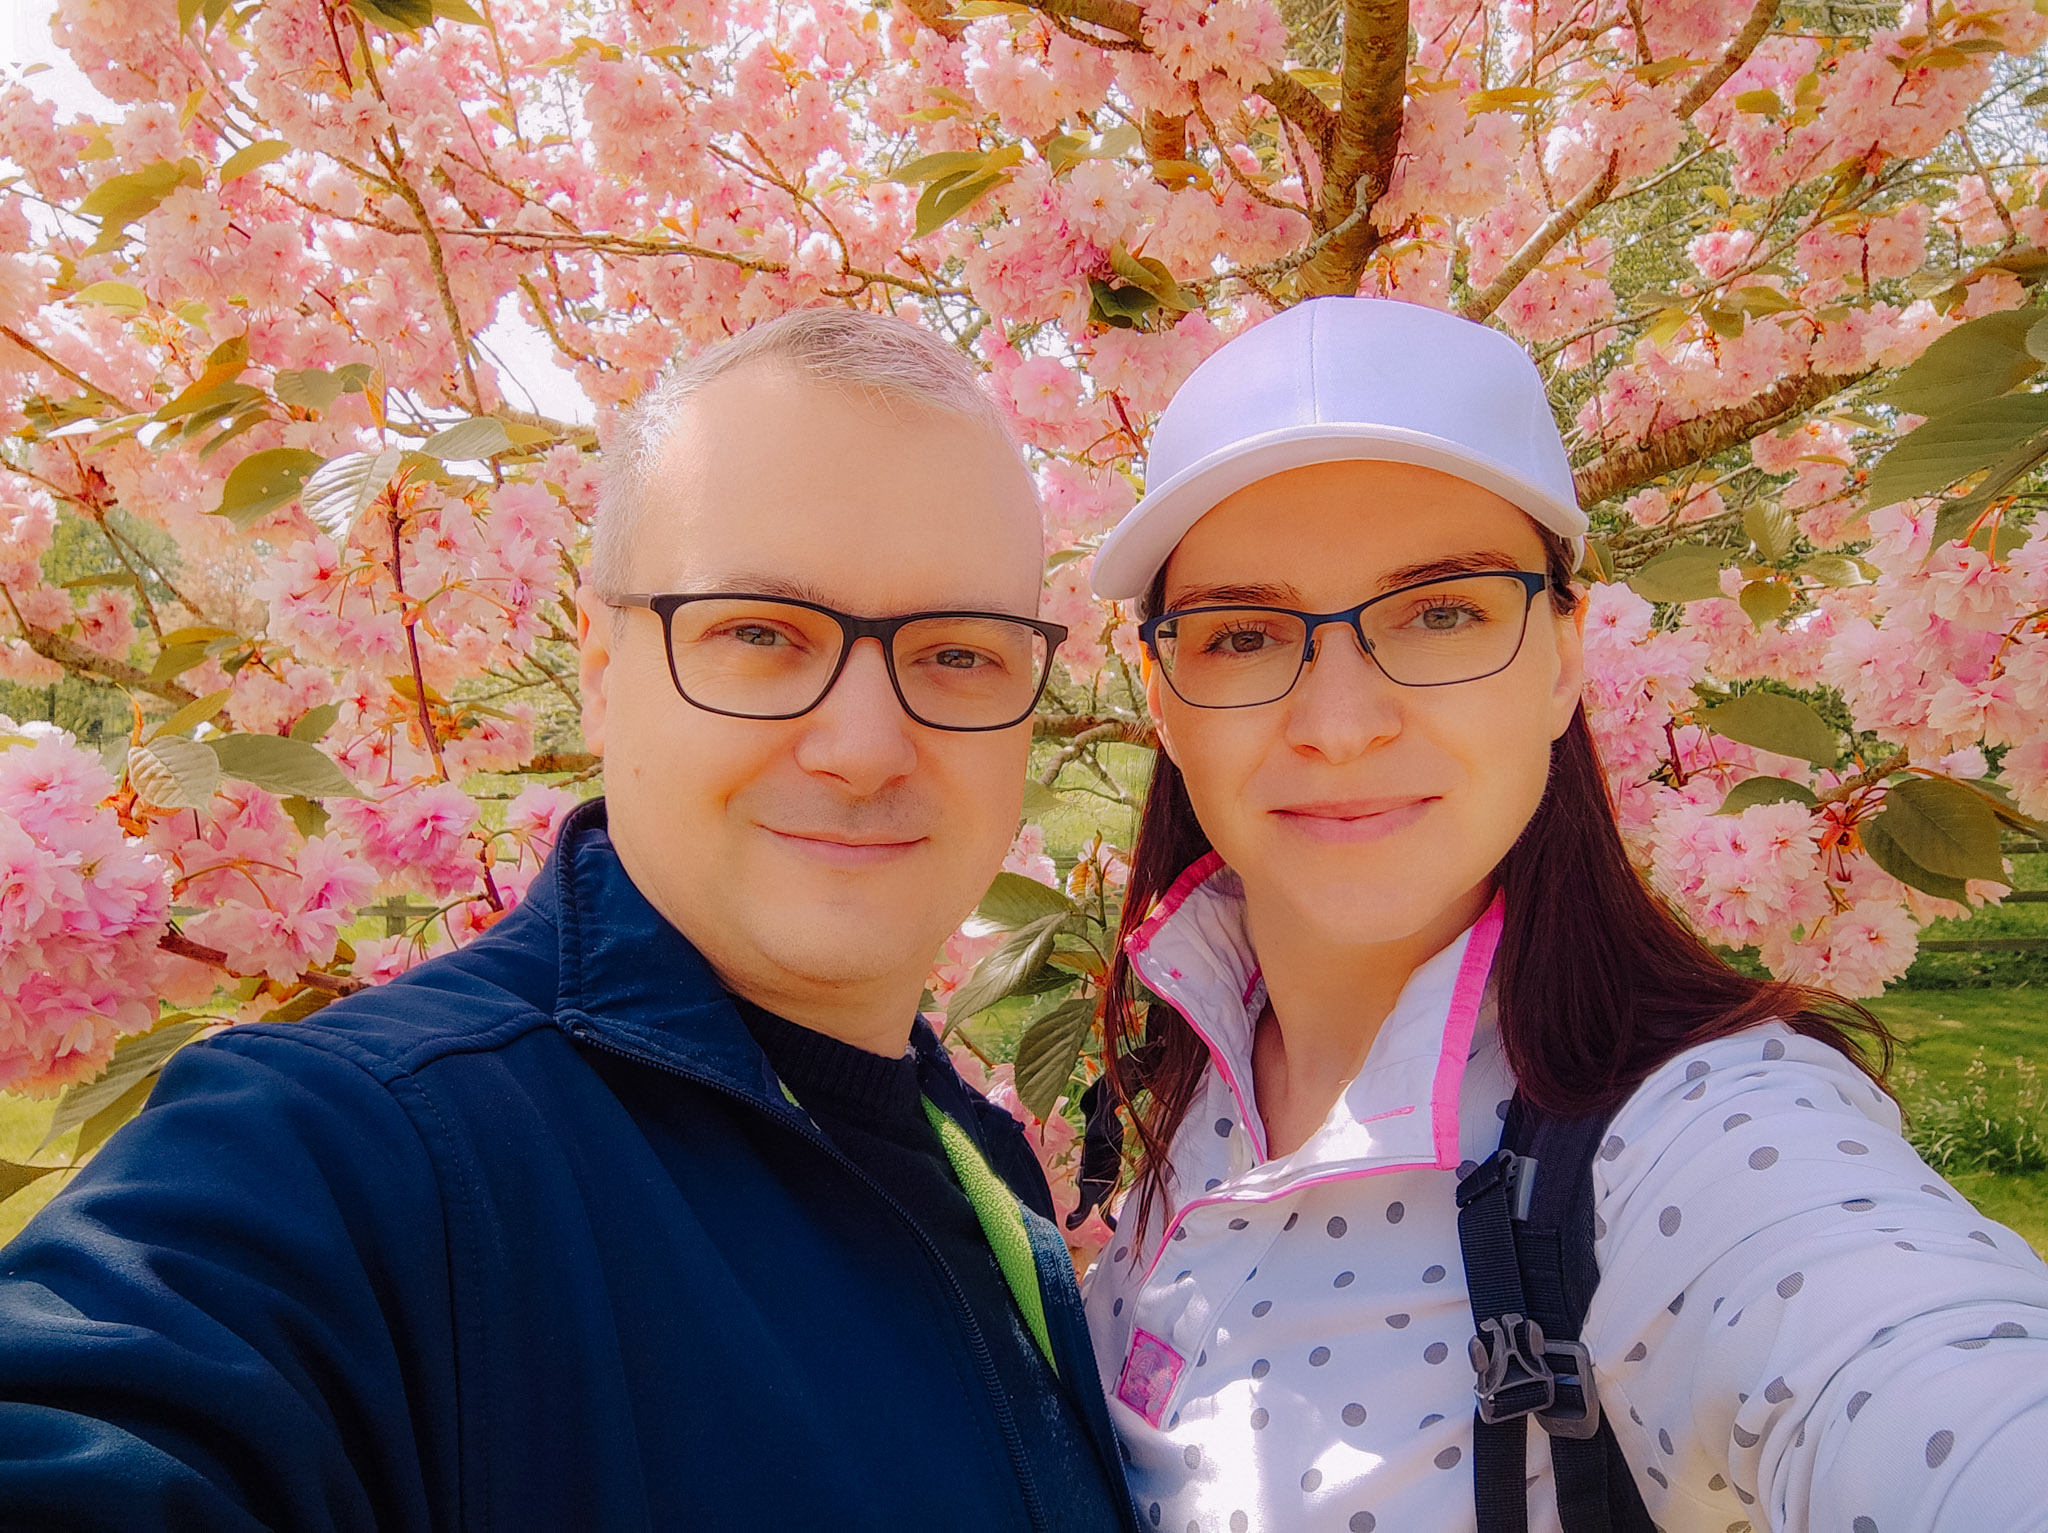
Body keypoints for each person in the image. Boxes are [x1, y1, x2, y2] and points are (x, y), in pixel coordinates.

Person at [0, 309, 1138, 1533]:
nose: (864, 747)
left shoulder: (981, 1163)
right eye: (758, 633)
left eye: (959, 654)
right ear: (600, 669)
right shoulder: (362, 1152)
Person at [1078, 296, 2048, 1533]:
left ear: (1561, 658)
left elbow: (1924, 1384)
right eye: (1243, 636)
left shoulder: (1691, 1139)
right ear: (1163, 697)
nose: (1338, 724)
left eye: (1441, 613)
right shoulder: (1181, 1062)